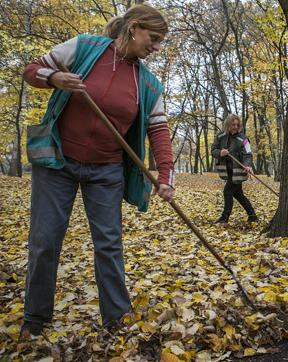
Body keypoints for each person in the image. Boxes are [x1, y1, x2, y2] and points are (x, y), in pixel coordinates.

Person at [21, 4, 174, 337]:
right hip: (57, 162)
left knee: (109, 243)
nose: (157, 47)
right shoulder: (84, 47)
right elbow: (31, 70)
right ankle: (34, 319)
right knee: (45, 240)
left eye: (161, 41)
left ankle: (116, 319)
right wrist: (55, 78)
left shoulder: (147, 84)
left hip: (106, 171)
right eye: (154, 38)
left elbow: (159, 130)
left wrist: (166, 177)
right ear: (134, 28)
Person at [211, 114, 258, 224]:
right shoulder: (220, 136)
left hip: (238, 172)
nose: (236, 127)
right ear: (228, 125)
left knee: (227, 192)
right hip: (227, 171)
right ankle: (252, 215)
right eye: (233, 125)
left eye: (237, 125)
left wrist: (248, 165)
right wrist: (220, 153)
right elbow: (213, 150)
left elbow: (248, 154)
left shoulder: (244, 139)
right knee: (238, 195)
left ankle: (224, 218)